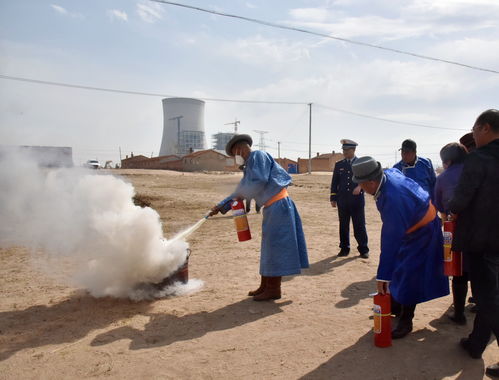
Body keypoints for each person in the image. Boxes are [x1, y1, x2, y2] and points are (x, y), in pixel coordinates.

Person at [352, 156, 449, 339]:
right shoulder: (387, 174)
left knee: (409, 273)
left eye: (362, 184)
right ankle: (395, 306)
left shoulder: (393, 198)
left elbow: (390, 241)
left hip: (423, 231)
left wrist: (382, 275)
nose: (361, 189)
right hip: (411, 224)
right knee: (399, 269)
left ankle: (406, 320)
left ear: (371, 182)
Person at [210, 134, 309, 301]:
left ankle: (273, 289)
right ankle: (265, 285)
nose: (236, 158)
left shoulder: (258, 156)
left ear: (239, 150)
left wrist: (234, 198)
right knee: (268, 248)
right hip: (272, 207)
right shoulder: (250, 166)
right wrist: (222, 206)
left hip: (279, 205)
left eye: (235, 154)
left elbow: (258, 182)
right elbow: (241, 190)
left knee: (275, 248)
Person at [448, 109, 499, 378]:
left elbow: (461, 198)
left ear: (486, 128)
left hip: (482, 238)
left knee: (488, 298)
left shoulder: (479, 158)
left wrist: (451, 207)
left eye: (476, 130)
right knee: (490, 294)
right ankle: (476, 343)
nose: (475, 135)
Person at [434, 143, 469, 325]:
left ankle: (459, 314)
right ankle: (481, 306)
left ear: (447, 161)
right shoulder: (477, 170)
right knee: (482, 270)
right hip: (484, 227)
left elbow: (439, 206)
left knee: (459, 271)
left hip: (455, 229)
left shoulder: (443, 178)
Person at [330, 139, 369, 258]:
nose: (345, 152)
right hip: (343, 200)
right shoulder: (339, 164)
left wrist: (360, 187)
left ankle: (363, 249)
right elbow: (335, 181)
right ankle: (344, 248)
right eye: (343, 150)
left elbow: (366, 178)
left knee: (359, 225)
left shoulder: (361, 163)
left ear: (354, 150)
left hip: (357, 200)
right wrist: (333, 198)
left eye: (347, 150)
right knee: (343, 225)